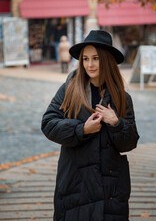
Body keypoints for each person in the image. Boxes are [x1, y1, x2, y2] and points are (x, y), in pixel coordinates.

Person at [41, 30, 139, 221]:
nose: (90, 64)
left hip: (109, 187)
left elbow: (131, 142)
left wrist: (116, 123)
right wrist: (81, 130)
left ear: (107, 60)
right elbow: (48, 124)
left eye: (95, 58)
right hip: (75, 183)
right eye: (85, 59)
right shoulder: (69, 89)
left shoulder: (122, 98)